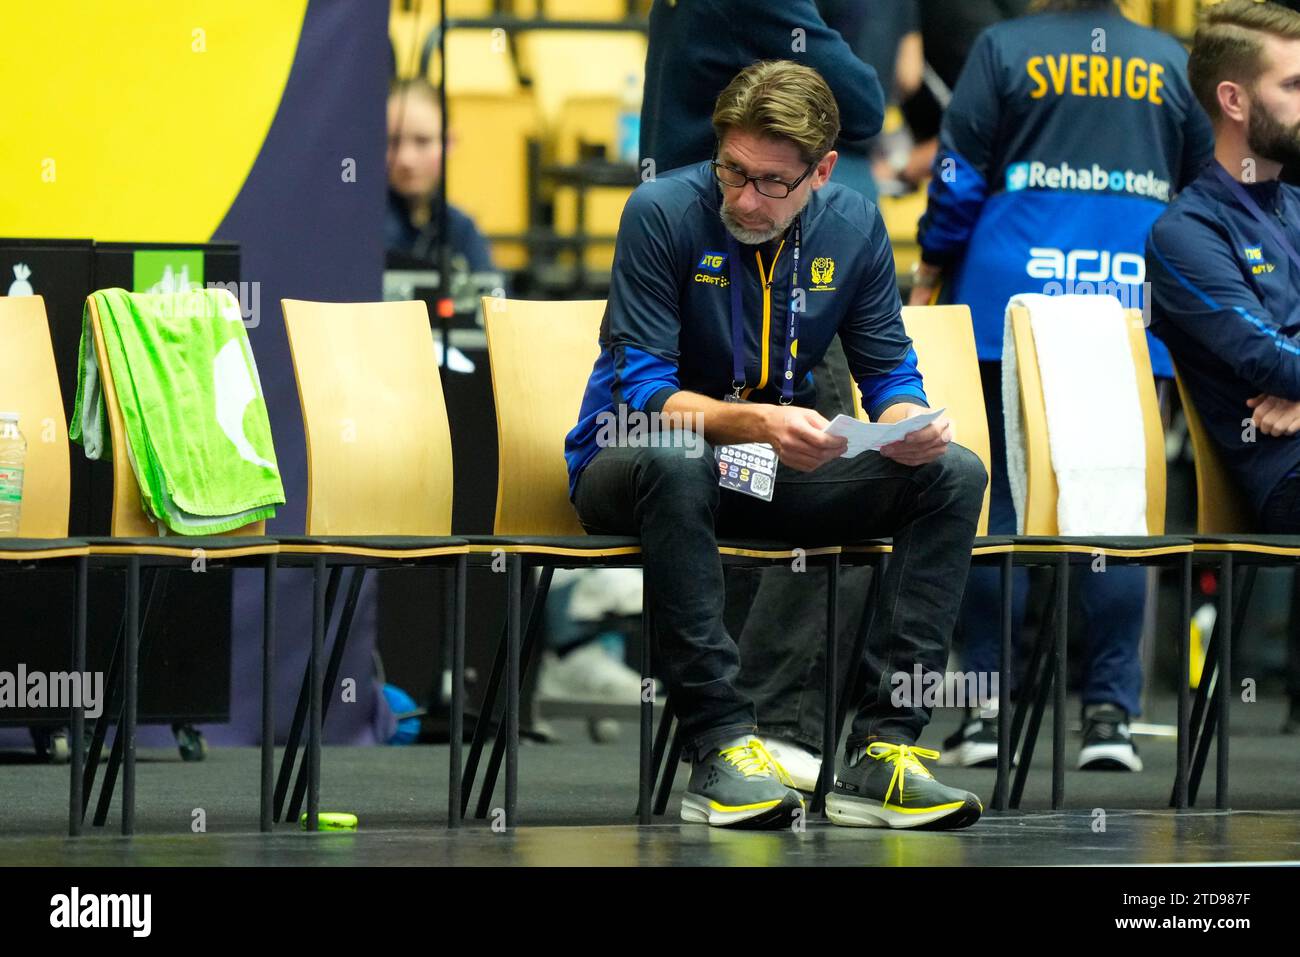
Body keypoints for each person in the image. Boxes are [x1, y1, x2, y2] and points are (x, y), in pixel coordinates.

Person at [565, 60, 988, 830]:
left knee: (954, 474)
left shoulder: (854, 225)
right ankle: (722, 742)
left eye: (771, 183)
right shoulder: (660, 211)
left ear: (822, 170)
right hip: (631, 461)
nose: (744, 199)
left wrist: (909, 421)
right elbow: (647, 395)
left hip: (758, 470)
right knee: (678, 454)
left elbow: (888, 368)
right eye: (733, 170)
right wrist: (758, 422)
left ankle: (882, 752)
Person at [912, 0, 1214, 770]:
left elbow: (957, 173)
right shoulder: (1170, 59)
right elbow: (1203, 182)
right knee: (1116, 510)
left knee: (997, 503)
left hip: (1005, 301)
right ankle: (1109, 716)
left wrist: (934, 256)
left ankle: (985, 711)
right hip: (1127, 303)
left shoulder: (1002, 47)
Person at [639, 0, 892, 795]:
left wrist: (900, 420)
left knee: (805, 485)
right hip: (738, 263)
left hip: (745, 262)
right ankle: (760, 732)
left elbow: (893, 371)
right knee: (780, 484)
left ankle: (748, 738)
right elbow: (865, 100)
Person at [1147, 0, 1300, 735]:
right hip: (1277, 474)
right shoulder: (1186, 233)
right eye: (1295, 86)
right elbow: (1265, 354)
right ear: (1234, 100)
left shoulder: (1296, 206)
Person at [385, 78, 494, 273]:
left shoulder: (461, 228)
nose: (405, 159)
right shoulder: (362, 229)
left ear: (449, 142)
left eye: (422, 141)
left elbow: (494, 296)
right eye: (392, 141)